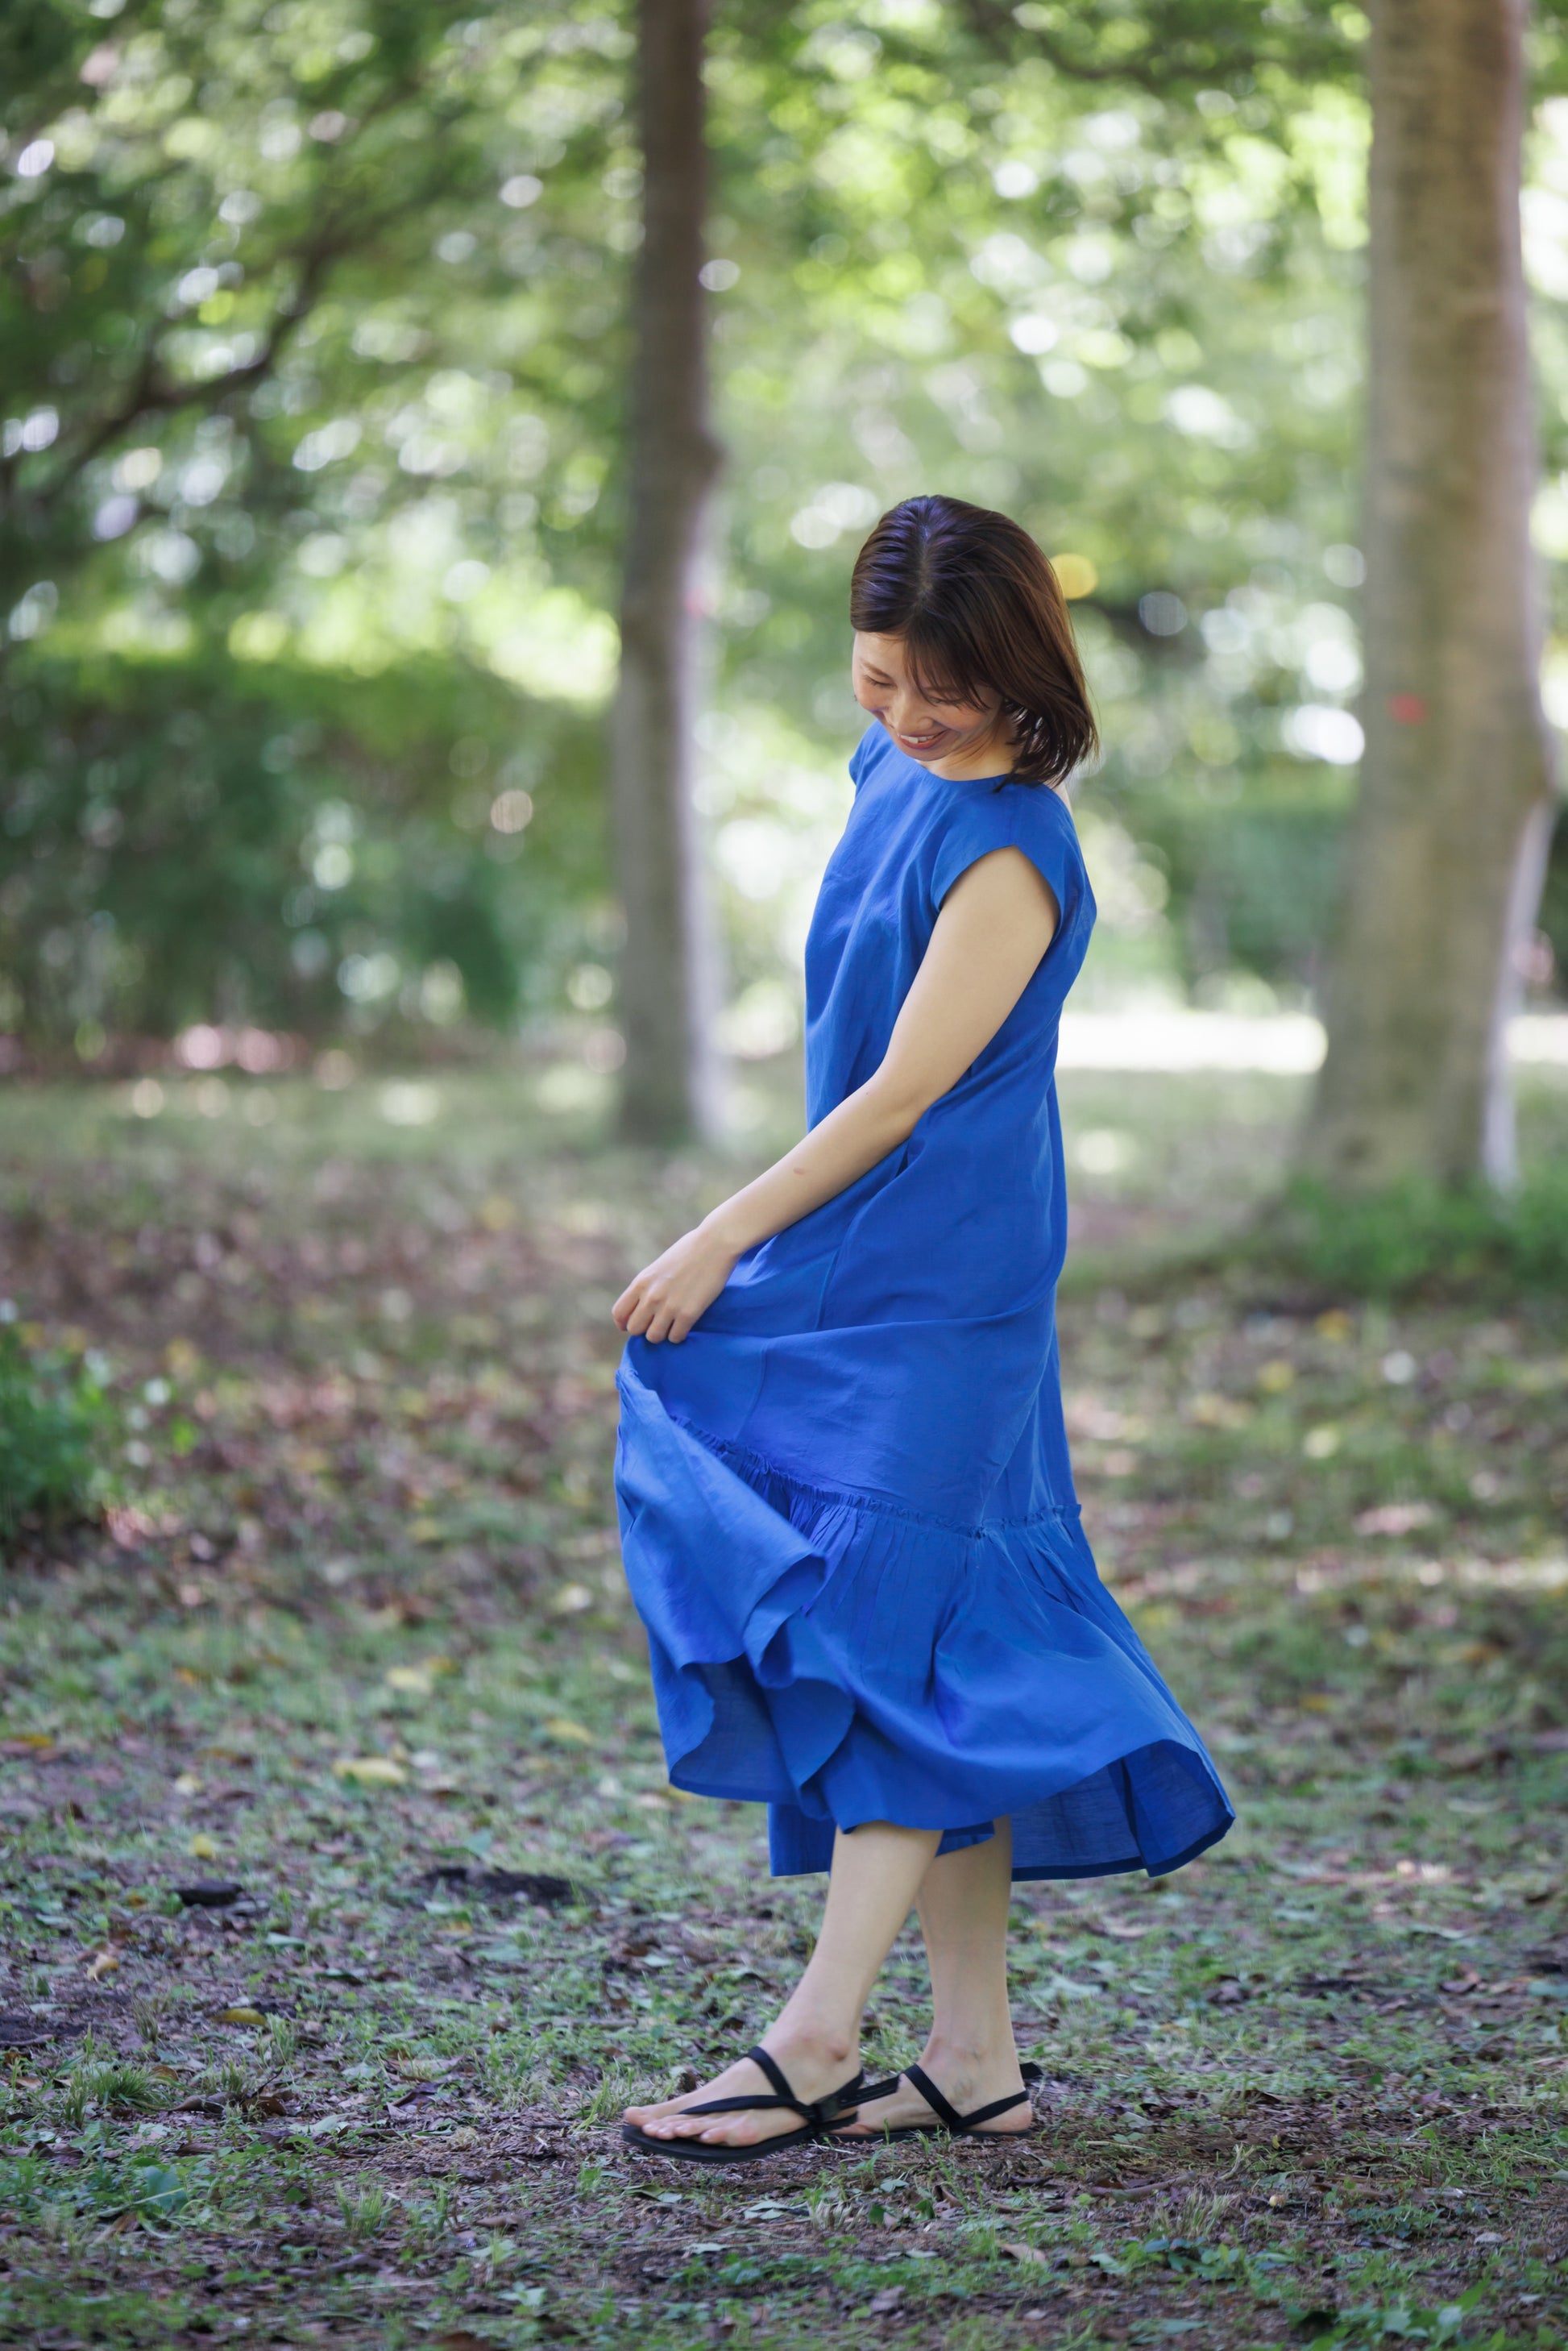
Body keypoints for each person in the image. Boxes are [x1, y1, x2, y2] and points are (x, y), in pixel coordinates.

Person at [611, 494, 1232, 2165]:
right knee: (931, 1628)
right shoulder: (888, 774)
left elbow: (900, 1093)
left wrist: (719, 1227)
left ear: (1015, 660)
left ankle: (814, 2040)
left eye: (935, 687)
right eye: (876, 678)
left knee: (883, 1631)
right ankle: (971, 2058)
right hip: (854, 1251)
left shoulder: (1018, 846)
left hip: (946, 1272)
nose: (901, 714)